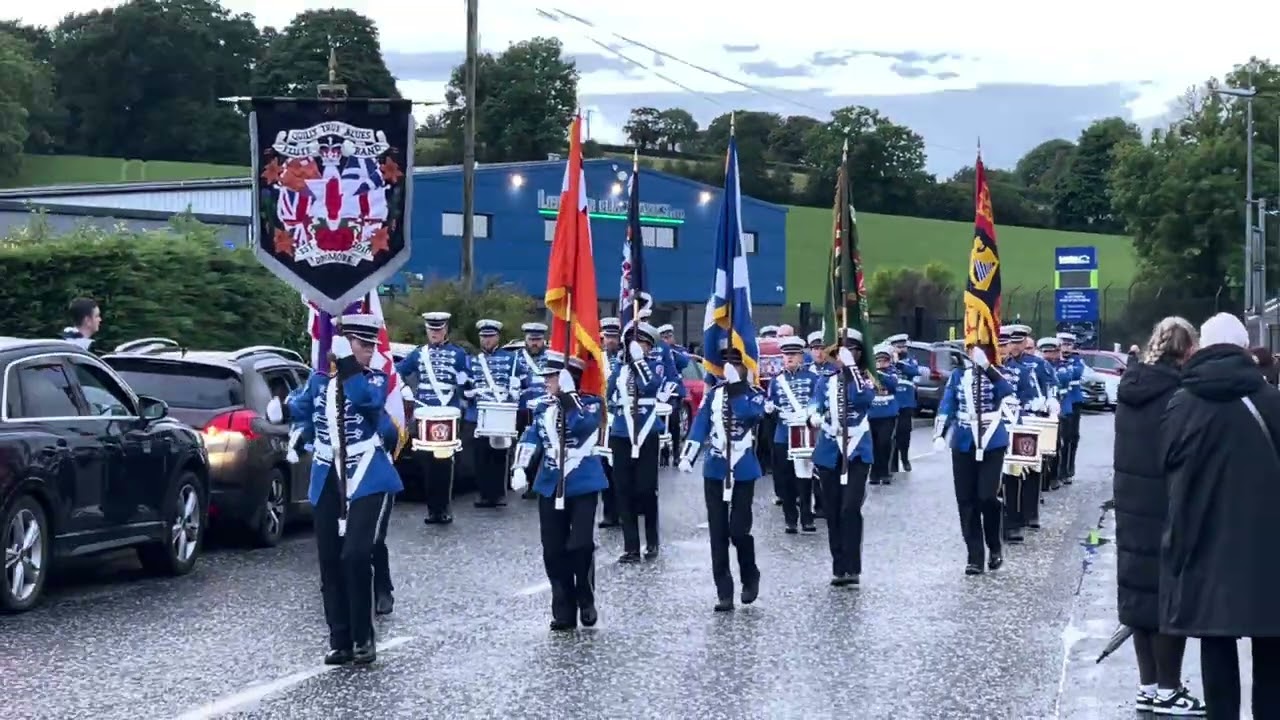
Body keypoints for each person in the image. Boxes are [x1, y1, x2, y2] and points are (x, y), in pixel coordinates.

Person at [1160, 312, 1280, 719]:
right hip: (1269, 544)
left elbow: (1168, 468)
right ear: (1246, 349)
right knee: (1272, 651)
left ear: (1203, 348)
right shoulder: (1271, 401)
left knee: (1215, 645)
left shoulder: (1182, 402)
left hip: (1204, 540)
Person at [286, 314, 403, 665]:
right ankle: (340, 639)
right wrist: (283, 412)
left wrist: (350, 364)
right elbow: (302, 408)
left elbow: (366, 402)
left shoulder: (374, 380)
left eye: (371, 345)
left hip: (368, 476)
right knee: (329, 561)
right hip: (327, 476)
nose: (369, 351)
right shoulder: (320, 381)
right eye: (362, 345)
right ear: (344, 342)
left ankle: (363, 637)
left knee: (355, 555)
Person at [1113, 316, 1205, 716]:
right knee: (1168, 599)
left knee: (1138, 596)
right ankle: (1169, 688)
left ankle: (1148, 685)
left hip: (1132, 504)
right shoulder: (1178, 393)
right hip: (1165, 504)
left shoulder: (1131, 389)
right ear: (1186, 350)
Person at [510, 351, 606, 631]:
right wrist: (520, 467)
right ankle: (563, 609)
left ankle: (585, 596)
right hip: (551, 482)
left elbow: (584, 426)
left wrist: (568, 397)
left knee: (580, 544)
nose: (546, 382)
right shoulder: (542, 407)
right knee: (553, 551)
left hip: (582, 482)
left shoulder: (589, 404)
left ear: (566, 378)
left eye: (551, 377)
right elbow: (532, 436)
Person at [679, 342, 767, 611]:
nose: (731, 367)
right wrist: (688, 455)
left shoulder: (754, 394)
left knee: (739, 530)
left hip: (742, 467)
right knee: (718, 532)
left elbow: (751, 414)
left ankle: (750, 576)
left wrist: (737, 388)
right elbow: (700, 425)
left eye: (736, 363)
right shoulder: (713, 395)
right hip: (716, 468)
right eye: (726, 363)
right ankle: (724, 591)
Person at [933, 343, 1015, 575]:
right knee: (966, 501)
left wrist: (987, 366)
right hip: (964, 442)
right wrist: (940, 433)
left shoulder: (997, 371)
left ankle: (995, 545)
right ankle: (975, 557)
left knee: (987, 497)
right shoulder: (959, 376)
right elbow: (947, 404)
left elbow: (1007, 390)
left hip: (991, 441)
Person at [808, 331, 875, 586]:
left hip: (857, 449)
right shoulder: (825, 380)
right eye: (839, 353)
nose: (843, 357)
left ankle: (853, 566)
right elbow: (815, 402)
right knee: (833, 509)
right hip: (829, 449)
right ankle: (839, 566)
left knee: (850, 507)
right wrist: (813, 415)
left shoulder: (865, 379)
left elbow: (863, 399)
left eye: (851, 351)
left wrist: (852, 370)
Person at [396, 311, 470, 525]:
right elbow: (397, 371)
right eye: (431, 330)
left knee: (445, 462)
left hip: (447, 414)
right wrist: (403, 389)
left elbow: (469, 381)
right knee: (426, 463)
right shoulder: (419, 354)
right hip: (425, 413)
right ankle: (432, 509)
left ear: (445, 329)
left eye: (438, 330)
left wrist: (465, 383)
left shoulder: (457, 354)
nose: (435, 333)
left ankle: (444, 507)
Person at [606, 320, 665, 562]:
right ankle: (631, 546)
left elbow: (651, 386)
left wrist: (640, 362)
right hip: (621, 433)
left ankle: (652, 541)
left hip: (647, 431)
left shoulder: (655, 365)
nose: (635, 346)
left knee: (646, 489)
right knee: (623, 489)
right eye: (632, 342)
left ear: (649, 347)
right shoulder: (620, 368)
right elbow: (609, 394)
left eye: (641, 343)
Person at [765, 336, 822, 533]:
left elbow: (817, 400)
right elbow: (770, 402)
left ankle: (807, 517)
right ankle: (790, 519)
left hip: (804, 432)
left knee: (805, 476)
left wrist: (809, 414)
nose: (788, 358)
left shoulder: (812, 378)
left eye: (792, 355)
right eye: (785, 355)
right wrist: (769, 408)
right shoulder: (776, 380)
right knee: (785, 478)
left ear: (801, 357)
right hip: (783, 434)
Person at [466, 319, 519, 509]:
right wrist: (465, 389)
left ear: (497, 337)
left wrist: (516, 390)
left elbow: (522, 381)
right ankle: (483, 493)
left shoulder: (510, 359)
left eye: (490, 337)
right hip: (479, 413)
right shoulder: (472, 360)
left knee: (499, 455)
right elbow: (465, 385)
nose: (487, 341)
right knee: (480, 456)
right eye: (484, 337)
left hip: (500, 412)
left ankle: (498, 494)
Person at [993, 329, 1036, 544]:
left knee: (1014, 477)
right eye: (997, 345)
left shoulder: (1022, 372)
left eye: (1004, 345)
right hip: (990, 429)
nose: (1001, 350)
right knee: (992, 480)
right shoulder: (984, 371)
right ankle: (991, 523)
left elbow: (1030, 398)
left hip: (1014, 427)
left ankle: (1013, 523)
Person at [514, 322, 551, 500]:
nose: (535, 344)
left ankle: (540, 483)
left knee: (546, 447)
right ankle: (527, 481)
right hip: (524, 409)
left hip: (547, 408)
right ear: (525, 340)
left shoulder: (552, 356)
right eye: (531, 340)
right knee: (525, 445)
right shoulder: (516, 358)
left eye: (538, 340)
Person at [597, 317, 623, 528]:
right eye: (608, 337)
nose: (611, 341)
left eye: (615, 337)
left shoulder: (626, 360)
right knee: (605, 467)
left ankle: (625, 511)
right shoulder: (596, 360)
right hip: (603, 420)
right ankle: (609, 513)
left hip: (623, 419)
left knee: (622, 469)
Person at [885, 333, 923, 473]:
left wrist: (898, 363)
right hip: (892, 403)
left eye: (903, 347)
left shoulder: (910, 361)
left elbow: (913, 371)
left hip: (906, 403)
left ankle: (905, 458)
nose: (901, 350)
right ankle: (892, 463)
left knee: (904, 432)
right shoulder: (886, 363)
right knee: (891, 435)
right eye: (898, 347)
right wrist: (892, 362)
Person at [657, 324, 692, 468]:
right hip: (659, 391)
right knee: (660, 424)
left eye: (669, 336)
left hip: (673, 392)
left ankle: (676, 454)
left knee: (674, 423)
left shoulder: (677, 351)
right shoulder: (657, 351)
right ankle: (663, 455)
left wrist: (671, 351)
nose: (667, 339)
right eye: (664, 337)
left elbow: (684, 362)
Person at [1055, 331, 1086, 483]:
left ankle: (1068, 469)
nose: (1066, 348)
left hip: (1074, 401)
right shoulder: (1056, 361)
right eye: (1063, 344)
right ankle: (1059, 471)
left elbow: (1076, 374)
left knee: (1072, 437)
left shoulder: (1077, 360)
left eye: (1068, 344)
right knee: (1060, 439)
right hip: (1061, 402)